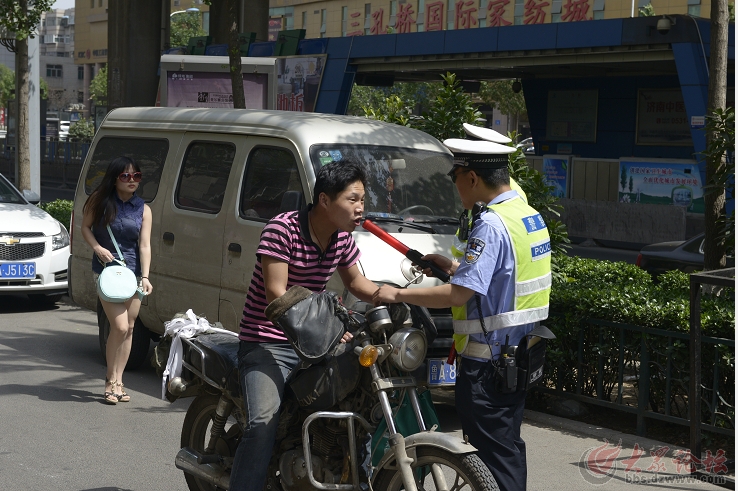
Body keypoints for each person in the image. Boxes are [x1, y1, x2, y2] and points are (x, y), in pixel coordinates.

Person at [373, 139, 551, 491]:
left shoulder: (491, 224)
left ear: (472, 177)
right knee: (506, 449)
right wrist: (453, 266)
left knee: (492, 459)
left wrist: (397, 292)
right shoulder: (526, 216)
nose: (455, 187)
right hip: (519, 357)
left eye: (455, 177)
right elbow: (503, 277)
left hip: (489, 366)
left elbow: (459, 295)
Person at [229, 161, 379, 491]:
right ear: (324, 200)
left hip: (315, 346)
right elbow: (277, 294)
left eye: (363, 200)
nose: (360, 209)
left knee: (364, 406)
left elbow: (357, 283)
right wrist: (330, 328)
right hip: (268, 343)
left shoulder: (341, 239)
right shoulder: (283, 229)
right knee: (262, 424)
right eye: (352, 200)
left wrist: (397, 296)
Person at [81, 156, 153, 405]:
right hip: (106, 271)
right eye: (126, 176)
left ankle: (120, 381)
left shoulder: (143, 209)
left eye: (136, 176)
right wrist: (97, 248)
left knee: (131, 328)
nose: (132, 180)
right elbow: (85, 227)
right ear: (114, 179)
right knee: (120, 327)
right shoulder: (99, 201)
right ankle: (109, 381)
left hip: (132, 274)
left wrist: (145, 276)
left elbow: (144, 245)